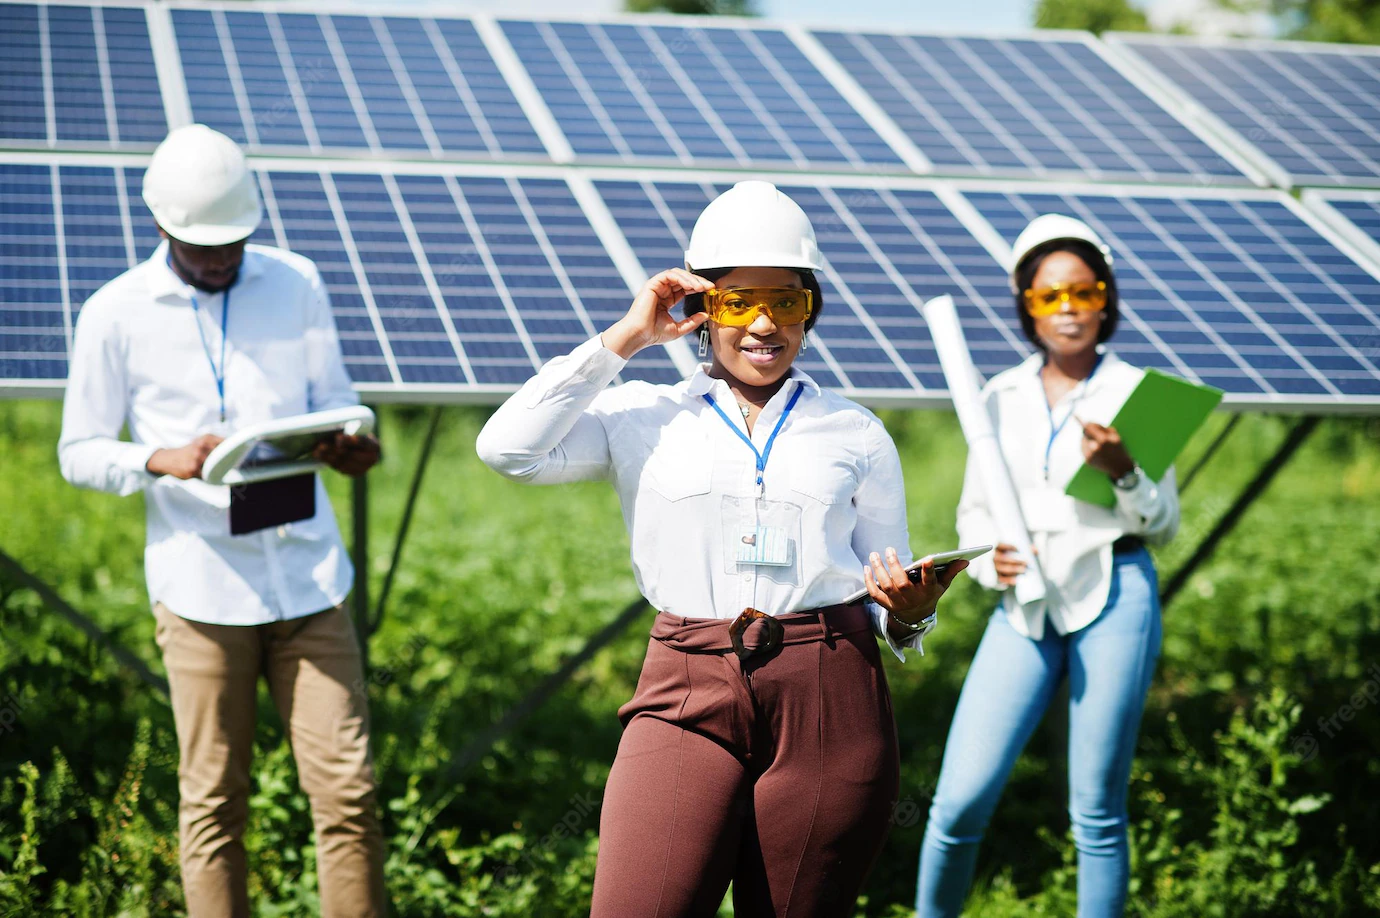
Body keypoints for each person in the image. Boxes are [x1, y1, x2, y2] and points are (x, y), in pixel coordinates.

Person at [477, 180, 967, 918]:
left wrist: (909, 614)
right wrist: (629, 336)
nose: (764, 323)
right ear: (702, 310)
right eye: (738, 302)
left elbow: (885, 595)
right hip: (687, 682)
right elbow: (506, 450)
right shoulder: (642, 414)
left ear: (811, 311)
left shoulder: (856, 432)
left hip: (832, 693)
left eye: (788, 301)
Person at [57, 124, 386, 918]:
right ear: (159, 225)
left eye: (233, 242)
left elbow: (338, 402)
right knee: (214, 802)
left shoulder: (297, 282)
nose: (219, 259)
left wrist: (352, 444)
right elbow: (78, 450)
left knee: (350, 794)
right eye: (202, 245)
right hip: (201, 587)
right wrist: (156, 459)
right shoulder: (115, 312)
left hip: (310, 575)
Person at [913, 214, 1180, 918]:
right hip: (1024, 607)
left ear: (1106, 297)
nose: (1068, 311)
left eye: (1084, 293)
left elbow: (1165, 525)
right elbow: (975, 516)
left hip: (1114, 593)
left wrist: (1125, 472)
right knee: (957, 801)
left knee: (1095, 810)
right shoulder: (997, 396)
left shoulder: (1141, 392)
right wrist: (982, 567)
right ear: (1026, 305)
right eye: (1048, 297)